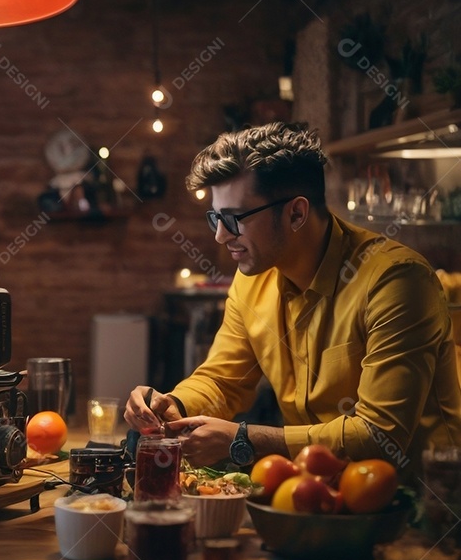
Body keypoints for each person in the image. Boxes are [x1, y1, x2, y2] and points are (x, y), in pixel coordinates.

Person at [124, 122, 461, 478]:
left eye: (234, 219)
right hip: (315, 494)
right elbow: (224, 380)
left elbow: (379, 437)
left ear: (296, 214)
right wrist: (172, 404)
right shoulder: (251, 280)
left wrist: (245, 439)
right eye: (215, 218)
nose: (222, 236)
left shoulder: (396, 280)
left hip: (424, 506)